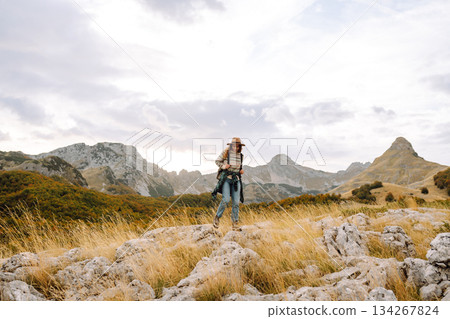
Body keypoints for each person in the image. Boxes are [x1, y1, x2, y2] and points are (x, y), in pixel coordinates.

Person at [212, 137, 245, 231]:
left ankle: (235, 223)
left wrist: (241, 170)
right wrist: (224, 166)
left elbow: (239, 167)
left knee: (236, 202)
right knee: (226, 199)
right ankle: (217, 217)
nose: (236, 147)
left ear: (239, 146)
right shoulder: (226, 153)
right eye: (234, 146)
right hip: (227, 179)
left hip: (236, 180)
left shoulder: (241, 155)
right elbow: (217, 161)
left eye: (237, 146)